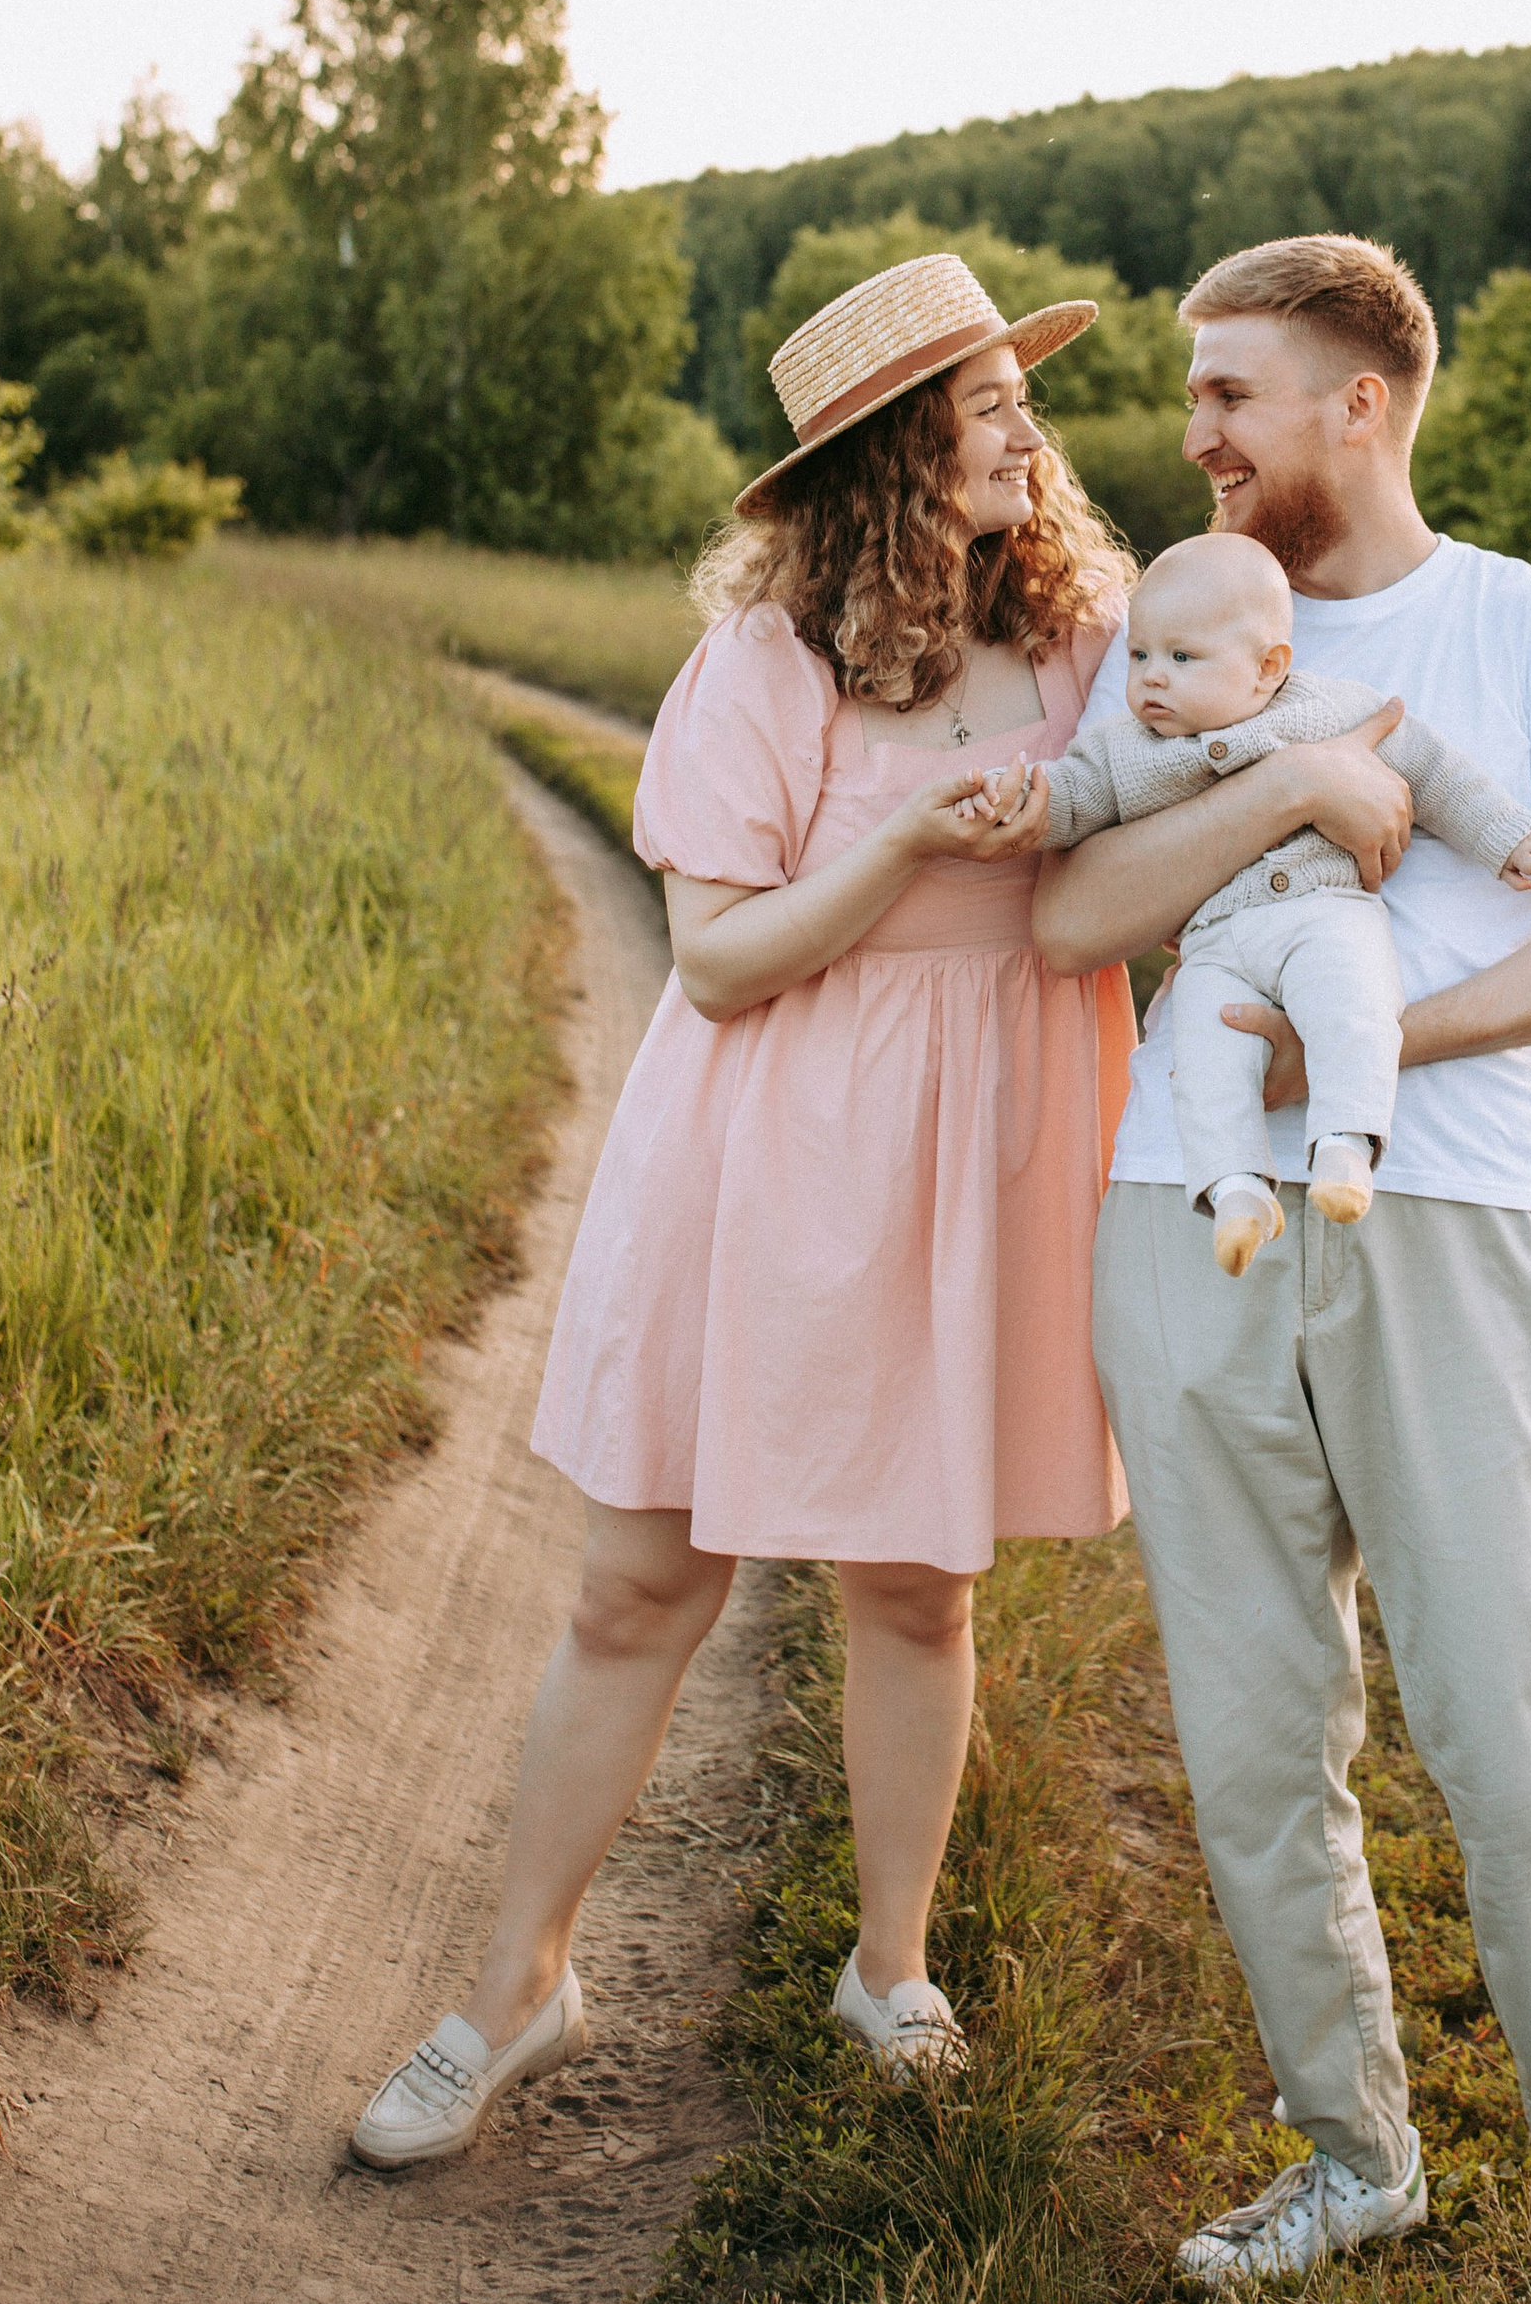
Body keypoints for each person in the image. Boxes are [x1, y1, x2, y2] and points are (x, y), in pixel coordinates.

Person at [351, 250, 1134, 2166]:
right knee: (641, 1584)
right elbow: (715, 965)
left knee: (915, 1583)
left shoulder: (1090, 638)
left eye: (1021, 400)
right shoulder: (765, 671)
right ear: (891, 455)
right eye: (987, 407)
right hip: (771, 1145)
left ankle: (890, 1967)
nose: (1029, 431)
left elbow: (1194, 793)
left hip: (989, 1149)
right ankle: (518, 1986)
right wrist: (891, 843)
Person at [1030, 232, 1531, 2304]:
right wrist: (1290, 788)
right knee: (1251, 1743)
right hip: (1187, 1213)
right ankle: (1352, 2158)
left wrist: (1383, 1048)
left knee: (1509, 1737)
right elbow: (1071, 909)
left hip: (1457, 1222)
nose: (1195, 438)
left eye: (1231, 394)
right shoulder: (1163, 628)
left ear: (1359, 401)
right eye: (1187, 399)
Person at [1027, 529, 1531, 1272]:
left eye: (1181, 659)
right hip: (1216, 944)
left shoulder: (1327, 711)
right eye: (1140, 655)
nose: (1149, 678)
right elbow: (1072, 798)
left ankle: (1345, 1144)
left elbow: (1432, 773)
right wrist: (1020, 804)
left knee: (1354, 1006)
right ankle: (1236, 1192)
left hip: (1323, 913)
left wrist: (1503, 835)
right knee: (1205, 1061)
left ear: (1268, 667)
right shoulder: (1123, 745)